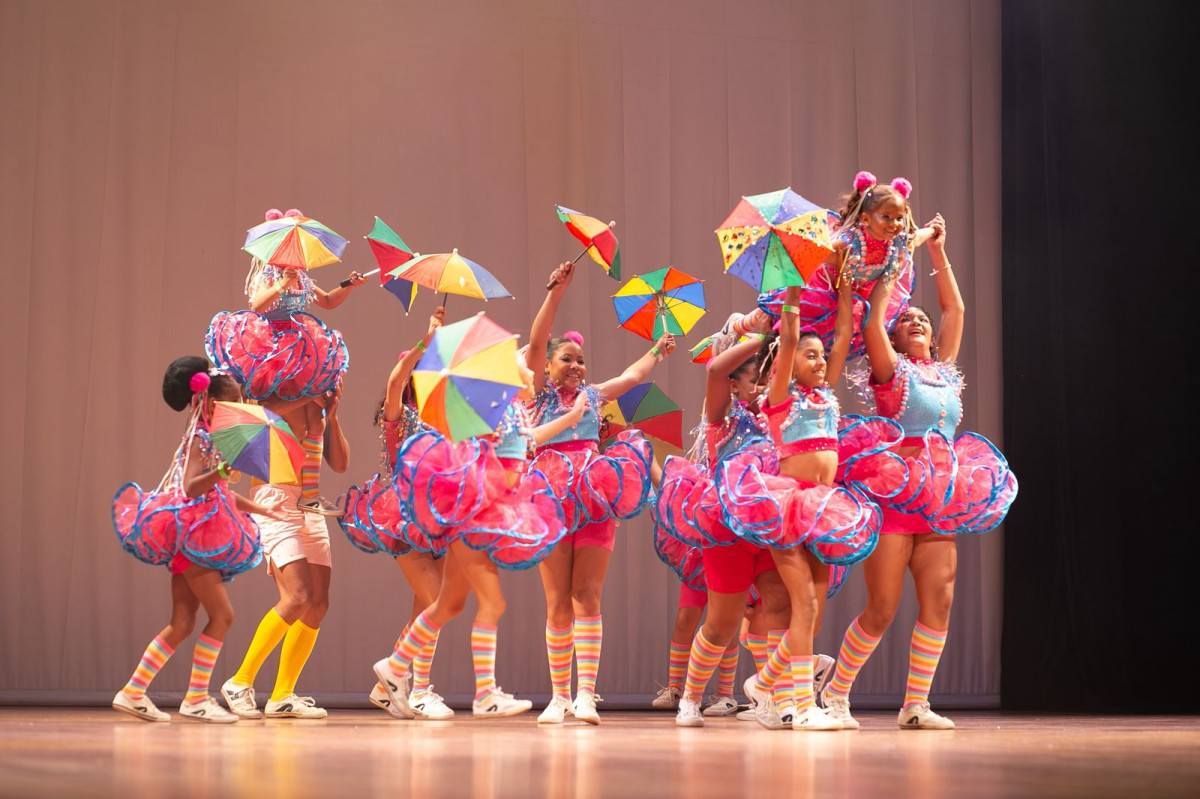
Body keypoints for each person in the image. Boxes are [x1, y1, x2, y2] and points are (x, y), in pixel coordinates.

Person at [822, 215, 1017, 730]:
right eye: (909, 321)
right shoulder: (892, 374)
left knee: (940, 599)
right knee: (883, 607)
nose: (920, 323)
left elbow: (956, 307)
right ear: (895, 334)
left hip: (940, 495)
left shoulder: (945, 368)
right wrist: (891, 267)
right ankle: (836, 693)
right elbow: (871, 322)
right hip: (892, 492)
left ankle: (916, 704)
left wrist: (937, 250)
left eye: (923, 321)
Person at [526, 260, 673, 725]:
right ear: (547, 367)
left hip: (592, 494)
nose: (575, 365)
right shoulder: (536, 397)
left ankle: (586, 694)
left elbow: (631, 377)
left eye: (580, 359)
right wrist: (556, 293)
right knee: (556, 600)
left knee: (586, 594)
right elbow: (535, 340)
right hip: (549, 496)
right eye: (565, 358)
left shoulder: (593, 396)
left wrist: (658, 350)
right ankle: (558, 696)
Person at [111, 357, 284, 723]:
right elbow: (192, 487)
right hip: (196, 537)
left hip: (196, 532)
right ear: (209, 403)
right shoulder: (202, 439)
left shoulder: (213, 439)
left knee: (184, 621)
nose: (238, 407)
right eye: (232, 401)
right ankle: (196, 697)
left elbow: (221, 494)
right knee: (223, 615)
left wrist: (263, 510)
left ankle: (132, 691)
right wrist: (221, 469)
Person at [206, 207, 366, 515]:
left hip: (303, 344)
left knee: (316, 416)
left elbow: (329, 302)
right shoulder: (268, 274)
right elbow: (256, 305)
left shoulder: (302, 277)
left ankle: (311, 493)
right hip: (272, 347)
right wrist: (281, 283)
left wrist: (347, 285)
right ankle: (275, 480)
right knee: (279, 411)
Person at [339, 308, 453, 718]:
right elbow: (394, 378)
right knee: (438, 600)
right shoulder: (398, 417)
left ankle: (389, 686)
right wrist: (429, 337)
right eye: (421, 371)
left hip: (436, 516)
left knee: (425, 608)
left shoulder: (442, 421)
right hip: (401, 514)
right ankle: (418, 688)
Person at [218, 382, 351, 720]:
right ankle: (239, 681)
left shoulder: (317, 405)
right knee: (298, 596)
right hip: (275, 500)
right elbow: (265, 413)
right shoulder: (267, 399)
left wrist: (331, 417)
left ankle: (282, 695)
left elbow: (340, 463)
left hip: (309, 504)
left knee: (318, 602)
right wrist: (309, 395)